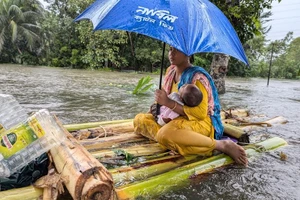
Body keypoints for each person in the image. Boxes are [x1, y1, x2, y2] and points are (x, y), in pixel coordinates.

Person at [134, 46, 248, 166]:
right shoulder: (170, 71)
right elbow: (164, 98)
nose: (171, 54)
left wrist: (168, 103)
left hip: (200, 123)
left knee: (164, 134)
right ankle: (179, 141)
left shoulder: (197, 78)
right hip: (174, 120)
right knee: (139, 120)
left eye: (177, 50)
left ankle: (220, 145)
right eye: (170, 49)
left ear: (188, 53)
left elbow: (200, 113)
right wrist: (156, 107)